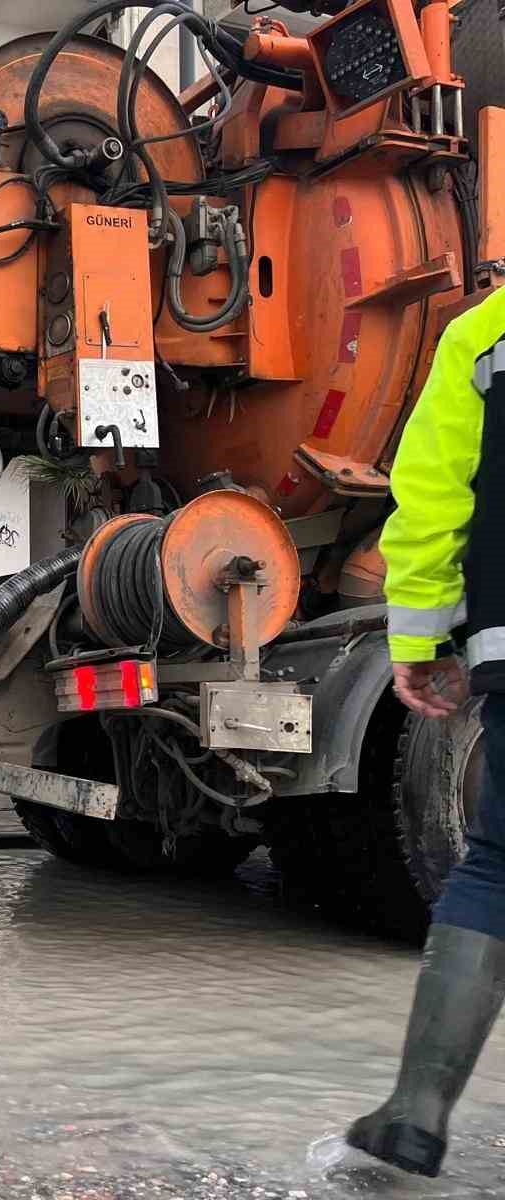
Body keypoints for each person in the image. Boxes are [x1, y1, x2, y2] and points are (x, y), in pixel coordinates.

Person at [343, 286, 505, 1177]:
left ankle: (416, 1114)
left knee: (497, 868)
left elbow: (435, 492)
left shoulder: (485, 331)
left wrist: (418, 639)